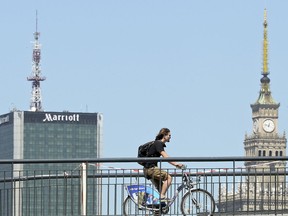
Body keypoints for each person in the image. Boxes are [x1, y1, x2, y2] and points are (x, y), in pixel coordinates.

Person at [143, 128, 184, 201]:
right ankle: (162, 197)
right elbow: (166, 157)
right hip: (151, 169)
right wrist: (176, 164)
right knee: (169, 178)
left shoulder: (157, 143)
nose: (170, 137)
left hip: (148, 169)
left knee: (161, 189)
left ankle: (157, 209)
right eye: (169, 135)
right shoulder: (158, 143)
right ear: (164, 135)